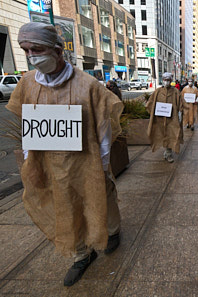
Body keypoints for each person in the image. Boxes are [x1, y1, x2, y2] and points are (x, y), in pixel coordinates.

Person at [6, 22, 124, 286]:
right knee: (65, 206)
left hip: (87, 161)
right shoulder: (26, 84)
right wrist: (29, 159)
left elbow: (104, 128)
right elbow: (30, 125)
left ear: (58, 50)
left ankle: (112, 231)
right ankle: (81, 254)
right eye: (25, 50)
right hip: (50, 163)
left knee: (101, 200)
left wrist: (103, 164)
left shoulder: (88, 85)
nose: (31, 55)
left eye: (37, 49)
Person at [146, 72, 183, 163]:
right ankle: (166, 152)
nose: (166, 82)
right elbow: (150, 103)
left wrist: (179, 113)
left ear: (171, 81)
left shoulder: (175, 92)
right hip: (159, 119)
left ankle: (168, 153)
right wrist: (152, 112)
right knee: (161, 134)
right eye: (165, 80)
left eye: (168, 80)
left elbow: (181, 104)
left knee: (171, 134)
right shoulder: (158, 91)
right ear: (162, 80)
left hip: (172, 119)